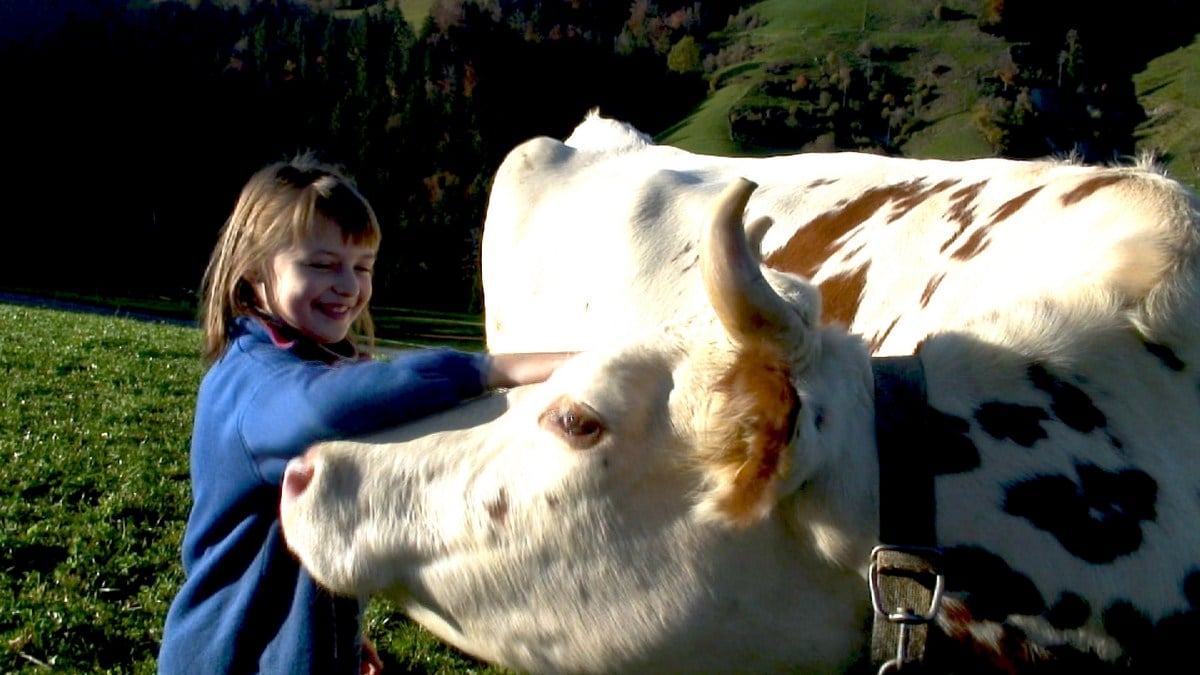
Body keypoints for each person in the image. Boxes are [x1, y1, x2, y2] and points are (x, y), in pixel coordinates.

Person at [158, 153, 572, 674]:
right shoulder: (254, 381)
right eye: (321, 264)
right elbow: (320, 409)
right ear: (253, 267)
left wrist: (338, 641)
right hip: (234, 658)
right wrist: (487, 371)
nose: (349, 286)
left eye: (362, 267)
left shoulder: (299, 359)